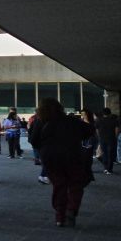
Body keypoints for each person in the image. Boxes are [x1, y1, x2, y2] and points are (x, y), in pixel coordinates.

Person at [29, 97, 93, 226]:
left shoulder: (40, 121)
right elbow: (89, 130)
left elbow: (33, 140)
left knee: (59, 185)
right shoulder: (72, 121)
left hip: (50, 157)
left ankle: (60, 217)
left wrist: (44, 147)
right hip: (73, 155)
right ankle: (72, 209)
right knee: (76, 184)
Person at [96, 108, 118, 175]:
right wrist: (115, 137)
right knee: (110, 154)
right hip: (111, 139)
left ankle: (105, 168)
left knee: (104, 154)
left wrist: (99, 137)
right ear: (110, 113)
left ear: (103, 113)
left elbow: (97, 130)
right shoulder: (114, 120)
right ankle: (109, 169)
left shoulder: (98, 120)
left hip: (102, 139)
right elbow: (116, 130)